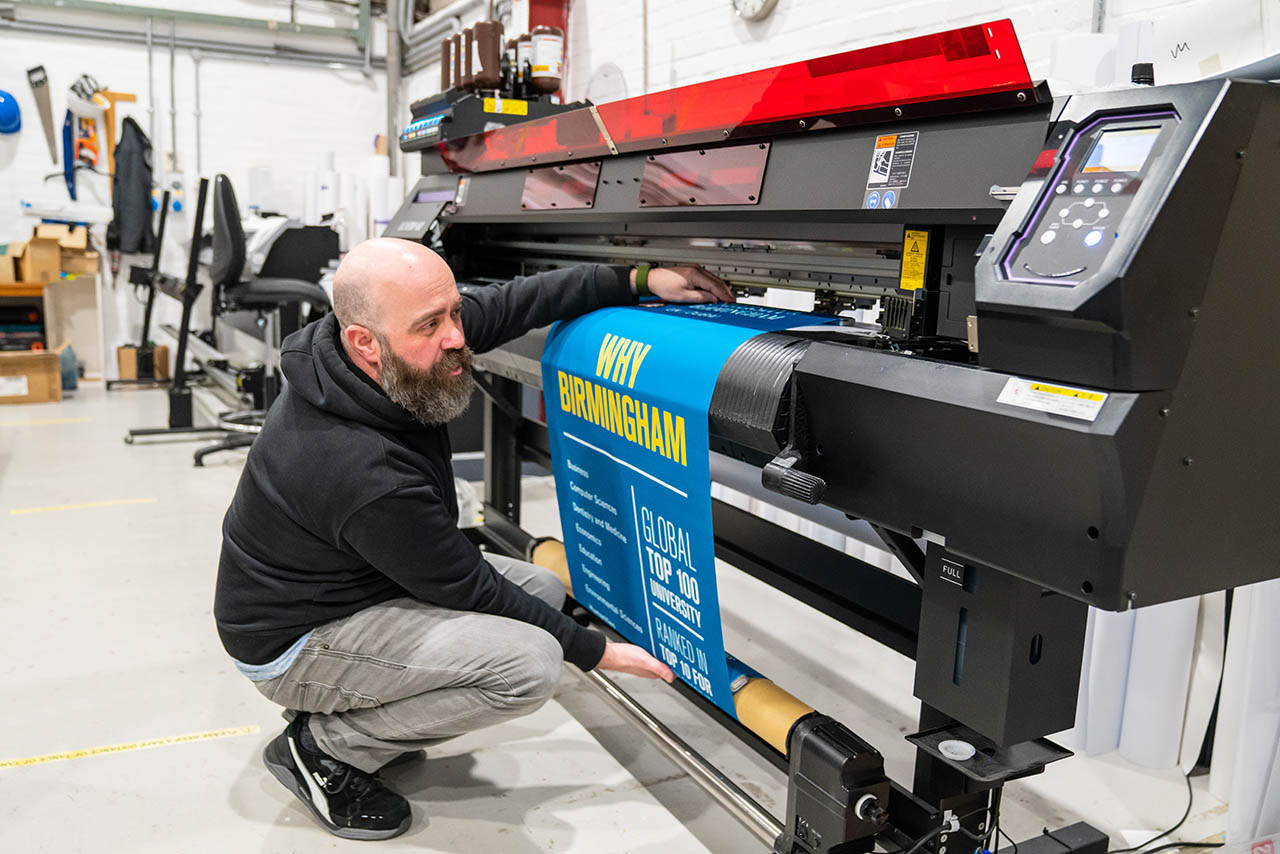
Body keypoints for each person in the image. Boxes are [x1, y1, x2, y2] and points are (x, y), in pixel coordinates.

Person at [213, 237, 735, 840]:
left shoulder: (388, 345)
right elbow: (466, 584)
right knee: (531, 664)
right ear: (365, 343)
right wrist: (597, 651)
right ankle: (324, 745)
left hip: (354, 588)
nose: (457, 336)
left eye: (453, 313)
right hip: (294, 642)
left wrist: (643, 277)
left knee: (538, 588)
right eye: (433, 324)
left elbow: (517, 301)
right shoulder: (355, 467)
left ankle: (359, 714)